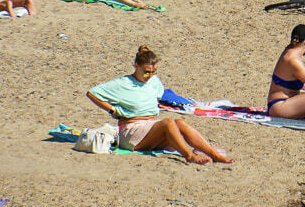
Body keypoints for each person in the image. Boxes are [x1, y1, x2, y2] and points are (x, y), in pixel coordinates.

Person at [87, 46, 232, 163]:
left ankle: (215, 155)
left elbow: (156, 95)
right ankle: (189, 155)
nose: (149, 76)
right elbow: (92, 93)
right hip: (131, 131)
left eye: (153, 72)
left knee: (179, 123)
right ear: (136, 65)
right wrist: (112, 110)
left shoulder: (154, 81)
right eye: (146, 72)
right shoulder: (122, 84)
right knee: (168, 123)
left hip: (150, 127)